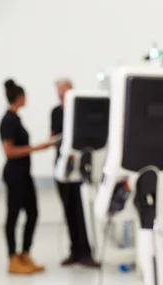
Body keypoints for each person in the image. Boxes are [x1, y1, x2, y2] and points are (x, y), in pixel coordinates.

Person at [0, 79, 51, 274]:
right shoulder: (7, 121)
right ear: (19, 98)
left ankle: (25, 254)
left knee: (33, 213)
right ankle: (12, 258)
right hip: (15, 174)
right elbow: (9, 151)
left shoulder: (17, 119)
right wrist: (37, 148)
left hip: (24, 173)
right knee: (13, 215)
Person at [51, 78, 100, 268]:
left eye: (64, 95)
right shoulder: (56, 112)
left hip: (80, 168)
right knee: (69, 210)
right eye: (60, 96)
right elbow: (52, 135)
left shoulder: (82, 111)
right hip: (62, 167)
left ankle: (86, 252)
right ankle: (74, 250)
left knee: (82, 212)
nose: (62, 99)